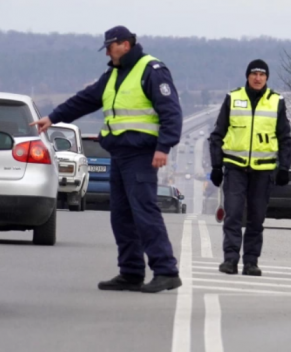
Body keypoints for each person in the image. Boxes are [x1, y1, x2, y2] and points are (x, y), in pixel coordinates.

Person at [31, 26, 182, 293]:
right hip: (120, 153)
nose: (108, 52)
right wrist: (53, 117)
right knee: (121, 217)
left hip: (141, 154)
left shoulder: (152, 70)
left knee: (144, 213)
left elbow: (171, 111)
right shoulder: (113, 74)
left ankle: (166, 271)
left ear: (125, 44)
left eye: (111, 46)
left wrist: (164, 147)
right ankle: (131, 272)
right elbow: (86, 100)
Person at [208, 59, 291, 276]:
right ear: (247, 76)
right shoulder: (233, 98)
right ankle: (230, 260)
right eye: (254, 74)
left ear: (267, 78)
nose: (258, 78)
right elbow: (217, 135)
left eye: (262, 74)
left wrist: (284, 167)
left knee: (256, 218)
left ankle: (251, 262)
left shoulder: (276, 102)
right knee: (234, 214)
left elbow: (286, 139)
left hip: (263, 171)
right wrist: (217, 166)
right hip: (235, 168)